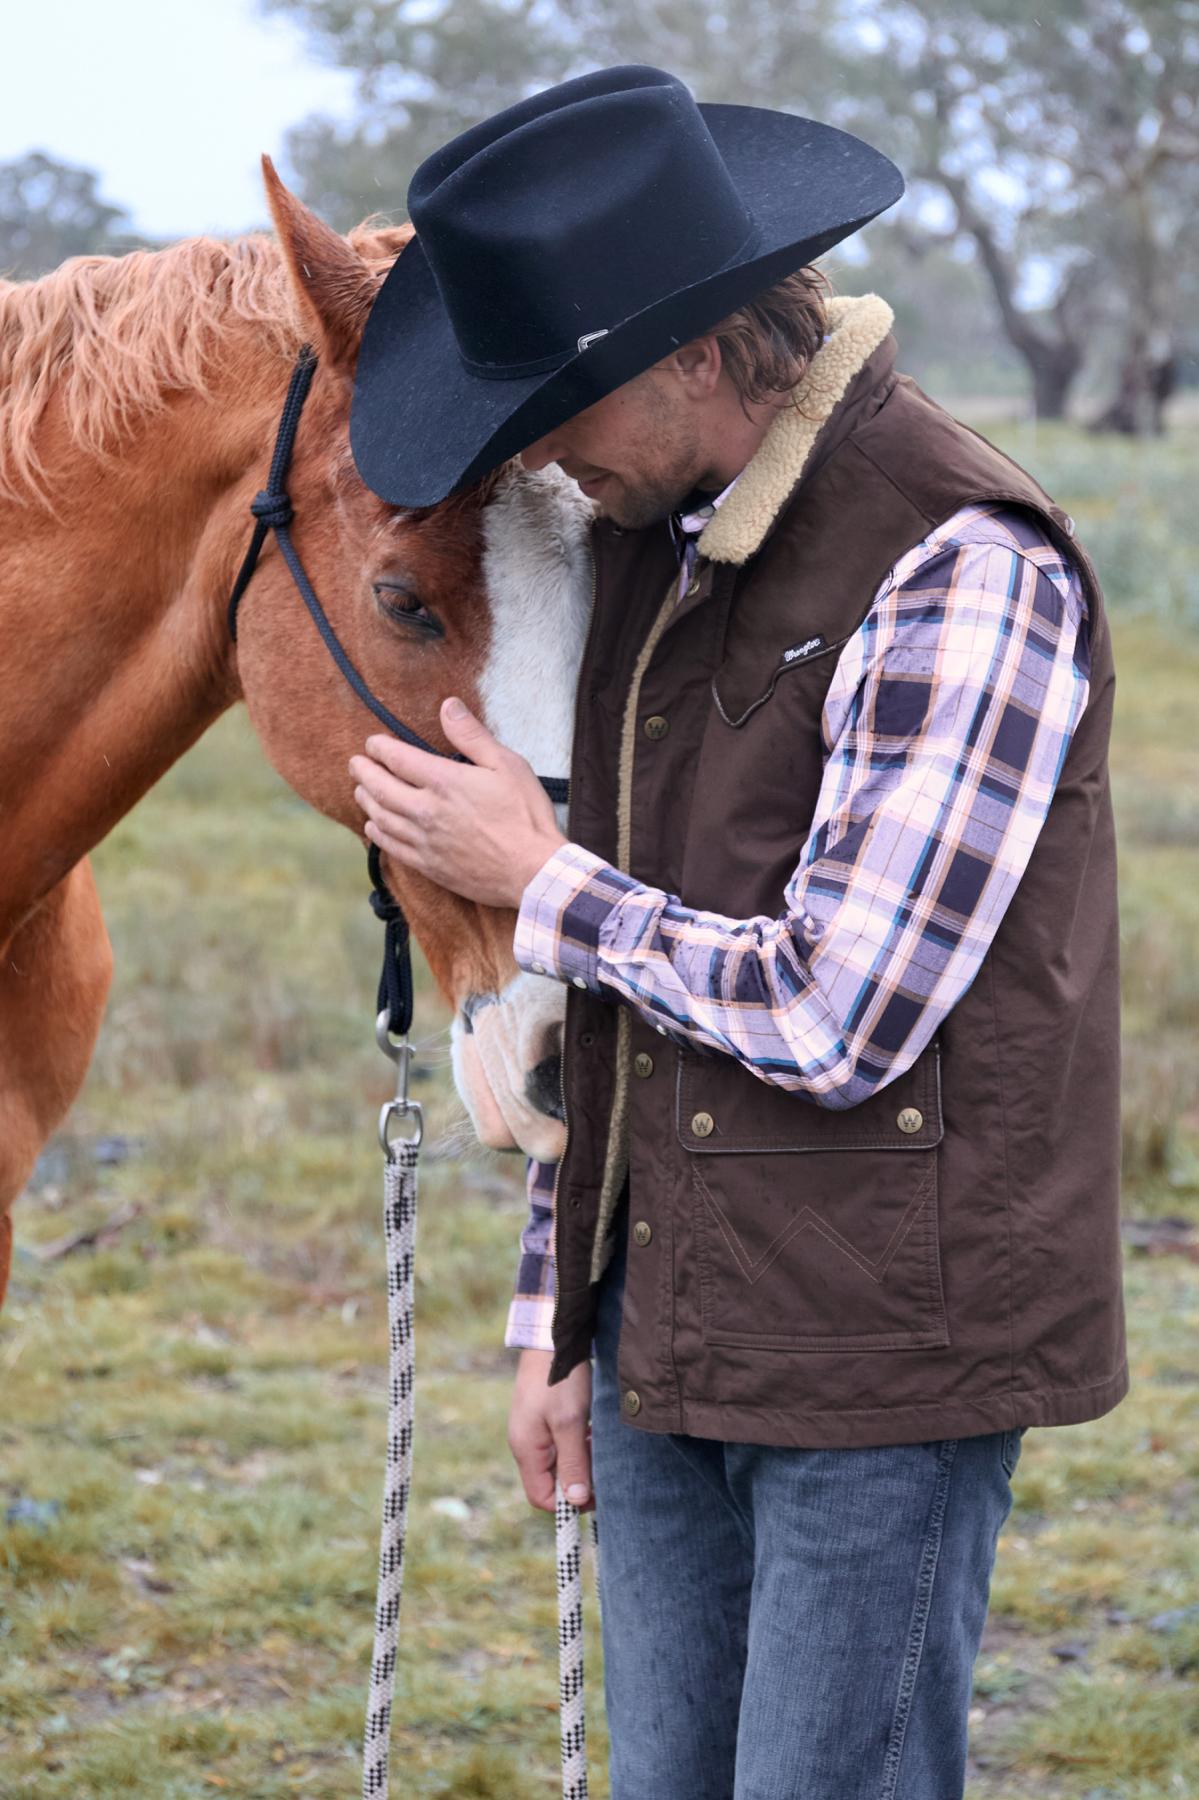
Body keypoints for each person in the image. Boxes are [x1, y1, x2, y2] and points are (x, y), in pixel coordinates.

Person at [347, 64, 1127, 1800]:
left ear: (696, 352)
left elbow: (841, 1011)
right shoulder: (649, 545)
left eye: (555, 403)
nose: (535, 449)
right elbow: (616, 1012)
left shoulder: (961, 561)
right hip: (667, 1337)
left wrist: (536, 875)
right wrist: (561, 1323)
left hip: (883, 1357)